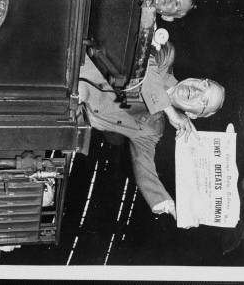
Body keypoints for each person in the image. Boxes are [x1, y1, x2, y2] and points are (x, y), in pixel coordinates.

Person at [78, 40, 225, 226]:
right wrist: (170, 111)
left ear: (192, 115)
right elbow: (145, 63)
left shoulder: (153, 129)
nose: (197, 92)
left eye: (204, 102)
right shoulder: (165, 56)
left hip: (67, 109)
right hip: (74, 65)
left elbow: (144, 166)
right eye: (205, 85)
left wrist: (169, 205)